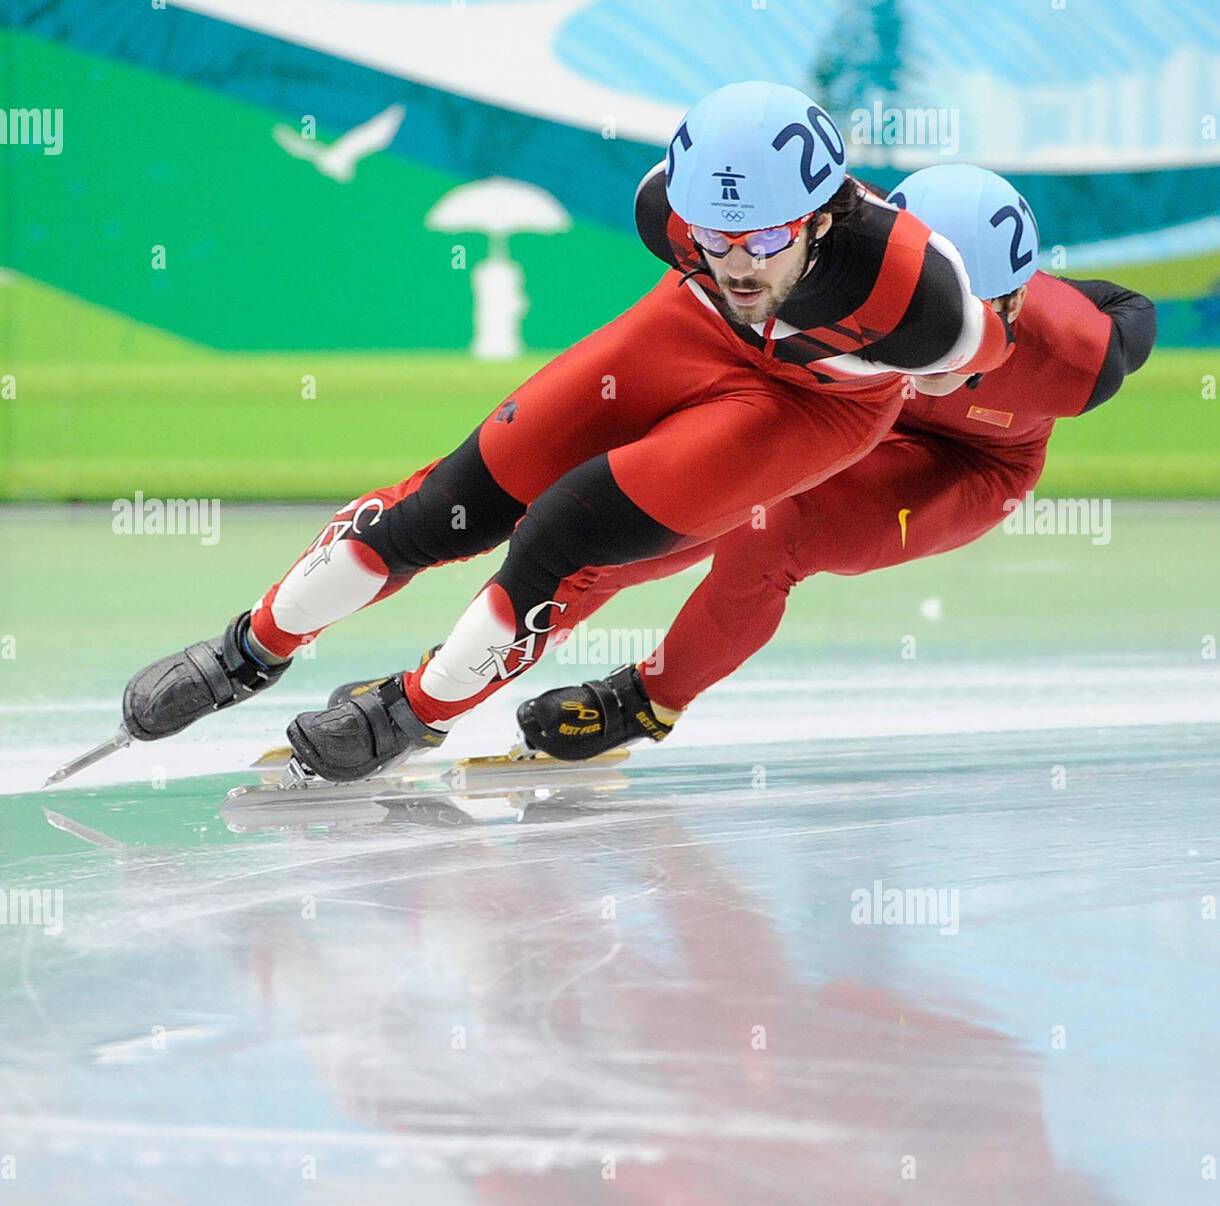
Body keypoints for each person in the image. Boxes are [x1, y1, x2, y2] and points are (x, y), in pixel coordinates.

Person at [121, 85, 1012, 782]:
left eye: (766, 238)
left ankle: (416, 711)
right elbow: (721, 269)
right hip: (687, 336)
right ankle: (251, 648)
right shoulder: (665, 213)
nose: (737, 263)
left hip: (810, 410)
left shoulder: (924, 301)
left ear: (824, 218)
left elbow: (972, 366)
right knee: (447, 508)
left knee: (562, 533)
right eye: (716, 237)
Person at [515, 164, 1157, 760]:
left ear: (1019, 302)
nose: (948, 346)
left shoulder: (1081, 357)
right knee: (678, 514)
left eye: (976, 320)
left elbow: (1133, 309)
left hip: (972, 465)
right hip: (846, 419)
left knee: (773, 534)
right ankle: (504, 644)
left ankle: (646, 702)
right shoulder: (843, 266)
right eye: (929, 313)